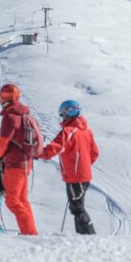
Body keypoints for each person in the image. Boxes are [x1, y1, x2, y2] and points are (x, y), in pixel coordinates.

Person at [39, 100, 99, 234]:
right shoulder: (86, 131)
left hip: (75, 177)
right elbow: (94, 153)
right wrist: (84, 166)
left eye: (64, 112)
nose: (64, 115)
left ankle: (90, 236)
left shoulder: (68, 131)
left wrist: (38, 153)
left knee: (77, 208)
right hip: (82, 176)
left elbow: (55, 148)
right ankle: (83, 236)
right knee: (76, 207)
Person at [0, 84, 39, 235]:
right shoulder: (25, 115)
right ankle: (31, 231)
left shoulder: (10, 117)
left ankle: (29, 233)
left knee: (12, 201)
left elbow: (3, 141)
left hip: (14, 164)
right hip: (26, 163)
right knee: (22, 200)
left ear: (2, 98)